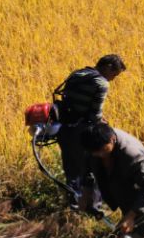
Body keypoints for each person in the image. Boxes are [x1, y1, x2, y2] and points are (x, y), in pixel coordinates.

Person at [54, 54, 126, 203]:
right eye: (115, 74)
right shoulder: (101, 83)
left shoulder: (77, 73)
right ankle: (92, 206)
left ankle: (72, 203)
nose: (113, 78)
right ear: (108, 67)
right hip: (83, 132)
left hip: (64, 128)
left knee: (71, 169)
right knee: (91, 168)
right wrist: (102, 123)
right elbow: (94, 114)